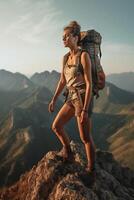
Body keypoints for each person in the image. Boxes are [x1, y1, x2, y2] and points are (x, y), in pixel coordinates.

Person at [48, 21, 96, 176]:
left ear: (76, 37)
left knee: (85, 137)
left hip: (82, 98)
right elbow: (62, 80)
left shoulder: (84, 56)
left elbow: (89, 84)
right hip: (71, 97)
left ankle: (91, 170)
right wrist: (54, 99)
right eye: (62, 37)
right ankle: (68, 153)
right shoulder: (65, 58)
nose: (63, 39)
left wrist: (85, 110)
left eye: (66, 36)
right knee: (56, 126)